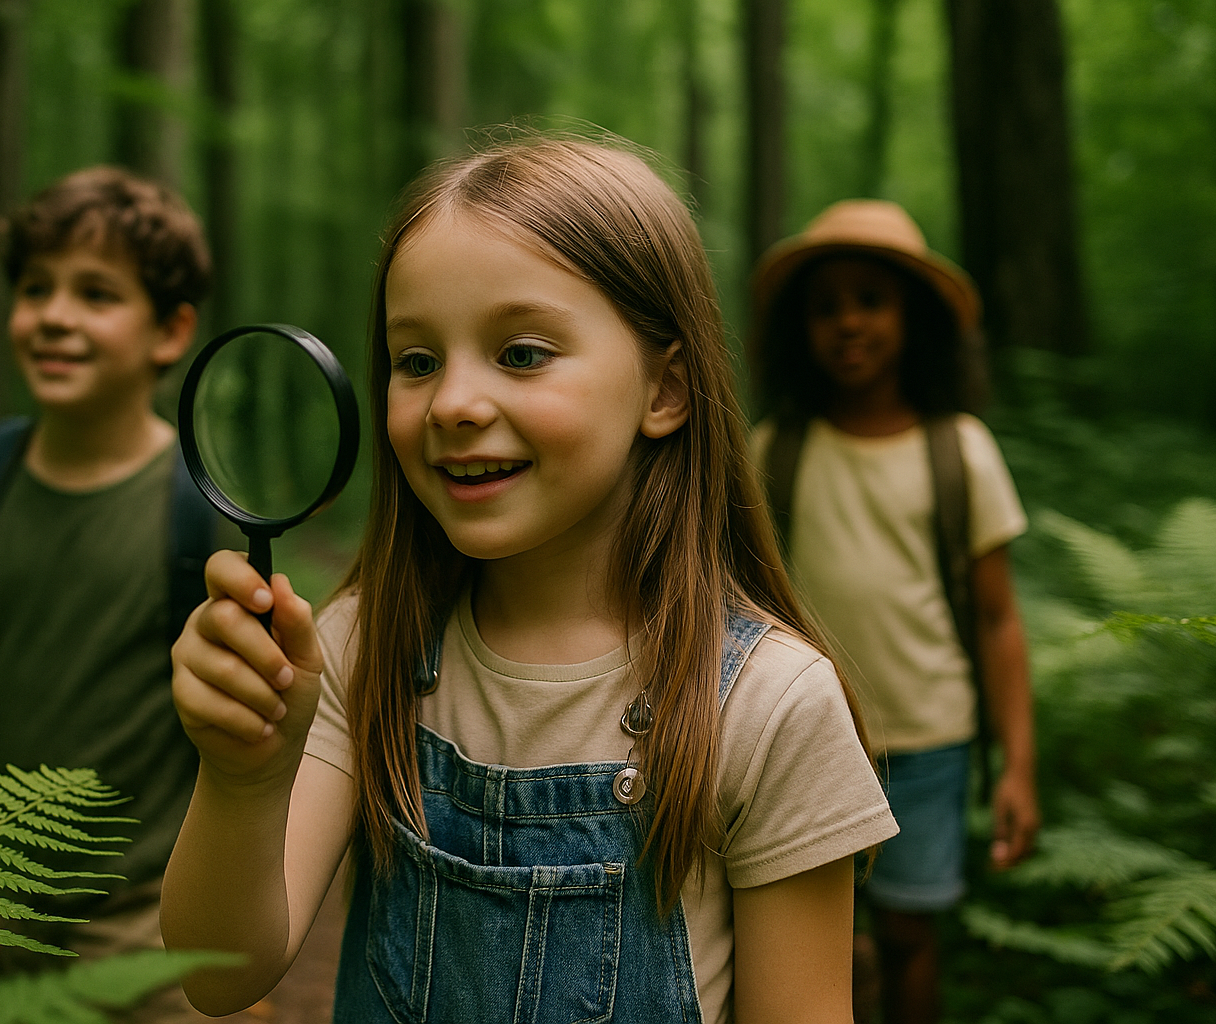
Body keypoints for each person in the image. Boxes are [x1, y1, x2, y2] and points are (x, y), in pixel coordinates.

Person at [161, 135, 900, 1024]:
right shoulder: (361, 647)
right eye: (417, 360)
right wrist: (242, 779)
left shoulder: (769, 704)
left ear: (664, 391)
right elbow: (222, 974)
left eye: (521, 353)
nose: (453, 404)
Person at [0, 167, 219, 1014]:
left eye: (97, 294)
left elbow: (239, 732)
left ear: (171, 330)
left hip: (150, 929)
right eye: (36, 289)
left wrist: (230, 945)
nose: (55, 317)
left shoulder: (204, 510)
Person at [747, 200, 1041, 1024]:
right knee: (811, 940)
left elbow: (997, 619)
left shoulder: (961, 450)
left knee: (909, 933)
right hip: (806, 736)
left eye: (871, 300)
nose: (848, 321)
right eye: (826, 303)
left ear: (913, 319)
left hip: (929, 740)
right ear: (801, 327)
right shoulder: (777, 450)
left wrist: (1018, 764)